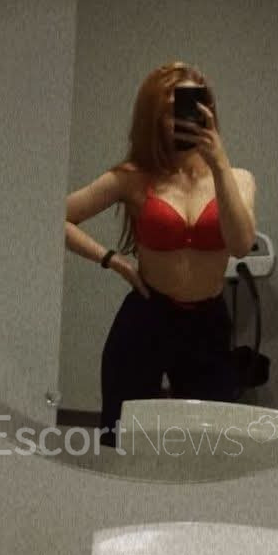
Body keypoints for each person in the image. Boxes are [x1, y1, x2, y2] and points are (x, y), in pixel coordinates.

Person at [64, 61, 256, 447]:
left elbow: (239, 245)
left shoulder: (238, 179)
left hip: (207, 325)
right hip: (147, 318)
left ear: (208, 112)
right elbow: (55, 217)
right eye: (169, 110)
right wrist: (112, 260)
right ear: (152, 118)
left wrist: (219, 164)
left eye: (191, 107)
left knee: (205, 446)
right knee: (121, 439)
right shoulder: (133, 177)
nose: (180, 119)